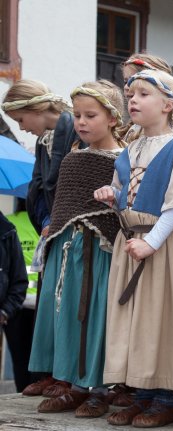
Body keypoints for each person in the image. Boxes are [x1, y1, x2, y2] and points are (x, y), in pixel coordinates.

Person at [94, 69, 173, 428]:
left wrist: (152, 242)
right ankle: (140, 395)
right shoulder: (131, 148)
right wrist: (111, 196)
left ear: (168, 104)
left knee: (161, 320)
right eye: (130, 95)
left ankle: (163, 399)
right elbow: (123, 191)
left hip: (160, 245)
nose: (133, 101)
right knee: (134, 323)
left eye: (143, 94)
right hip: (131, 241)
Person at [27, 81, 126, 418]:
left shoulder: (122, 160)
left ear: (112, 118)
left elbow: (120, 211)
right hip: (67, 249)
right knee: (67, 314)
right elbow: (63, 206)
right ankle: (74, 386)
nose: (82, 122)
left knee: (95, 315)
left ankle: (99, 388)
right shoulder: (71, 158)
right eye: (78, 115)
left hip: (99, 252)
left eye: (91, 115)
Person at [2, 79, 80, 398]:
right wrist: (47, 220)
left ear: (35, 108)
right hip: (54, 233)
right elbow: (41, 189)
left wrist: (56, 219)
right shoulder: (44, 142)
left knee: (68, 307)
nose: (22, 128)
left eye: (21, 120)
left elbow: (69, 185)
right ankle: (54, 373)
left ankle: (68, 376)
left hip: (72, 233)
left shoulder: (72, 130)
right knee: (53, 308)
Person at [0, 214, 29, 391]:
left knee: (22, 365)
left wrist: (4, 312)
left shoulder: (7, 232)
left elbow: (19, 281)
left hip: (7, 312)